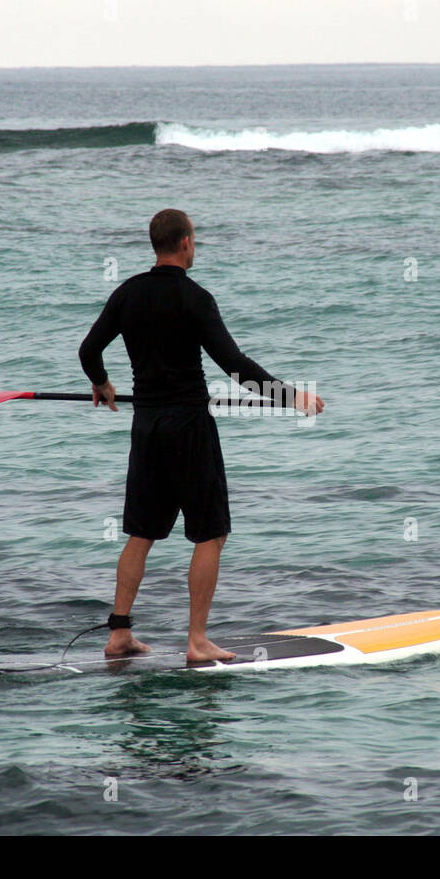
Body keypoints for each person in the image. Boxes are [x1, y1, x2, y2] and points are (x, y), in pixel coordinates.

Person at [78, 209, 324, 662]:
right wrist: (292, 397)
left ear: (156, 244)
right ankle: (196, 641)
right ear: (186, 243)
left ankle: (119, 635)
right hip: (189, 430)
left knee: (140, 534)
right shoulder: (195, 298)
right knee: (209, 535)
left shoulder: (127, 293)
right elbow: (236, 366)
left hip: (147, 428)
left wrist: (102, 382)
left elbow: (89, 350)